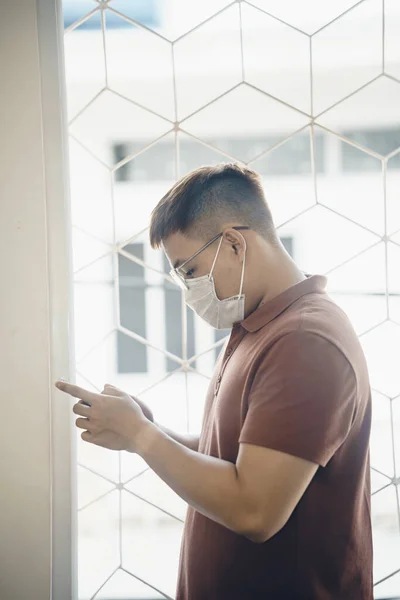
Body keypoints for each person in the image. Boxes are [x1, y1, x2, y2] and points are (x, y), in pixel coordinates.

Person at [56, 163, 373, 599]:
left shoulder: (305, 341)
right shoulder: (256, 327)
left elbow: (253, 511)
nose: (187, 289)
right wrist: (146, 430)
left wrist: (141, 434)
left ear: (233, 243)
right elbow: (231, 461)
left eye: (189, 270)